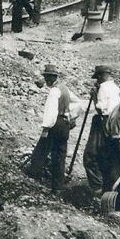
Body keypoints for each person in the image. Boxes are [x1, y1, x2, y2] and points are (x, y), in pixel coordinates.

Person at [38, 64, 82, 193]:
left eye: (46, 77)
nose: (45, 80)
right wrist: (71, 116)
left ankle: (32, 177)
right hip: (64, 125)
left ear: (51, 78)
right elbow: (79, 103)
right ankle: (58, 186)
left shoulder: (54, 91)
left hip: (55, 124)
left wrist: (45, 129)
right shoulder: (65, 89)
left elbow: (50, 113)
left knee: (41, 151)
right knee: (60, 155)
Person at [83, 65, 120, 191]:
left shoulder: (103, 88)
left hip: (103, 122)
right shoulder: (116, 88)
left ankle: (97, 188)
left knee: (90, 156)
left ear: (100, 76)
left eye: (97, 78)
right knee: (106, 156)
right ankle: (108, 186)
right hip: (115, 124)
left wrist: (94, 96)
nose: (96, 81)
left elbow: (100, 109)